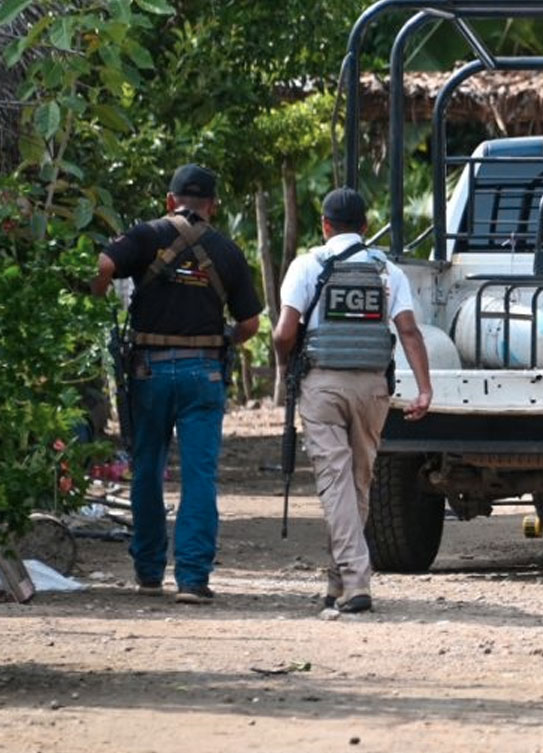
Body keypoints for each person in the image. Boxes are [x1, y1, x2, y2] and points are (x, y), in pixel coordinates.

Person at [91, 163, 262, 604]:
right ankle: (192, 579)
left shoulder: (145, 236)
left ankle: (149, 571)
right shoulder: (226, 250)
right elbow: (250, 323)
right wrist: (221, 337)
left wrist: (96, 295)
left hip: (148, 370)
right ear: (213, 207)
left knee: (147, 468)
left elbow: (104, 263)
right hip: (203, 372)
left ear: (170, 201)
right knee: (199, 474)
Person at [272, 188, 433, 615]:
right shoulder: (387, 271)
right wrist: (425, 388)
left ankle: (357, 581)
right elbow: (410, 332)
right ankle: (338, 581)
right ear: (364, 226)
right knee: (357, 482)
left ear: (324, 225)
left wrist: (284, 366)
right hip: (373, 388)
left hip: (322, 385)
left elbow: (284, 333)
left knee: (335, 481)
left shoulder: (308, 266)